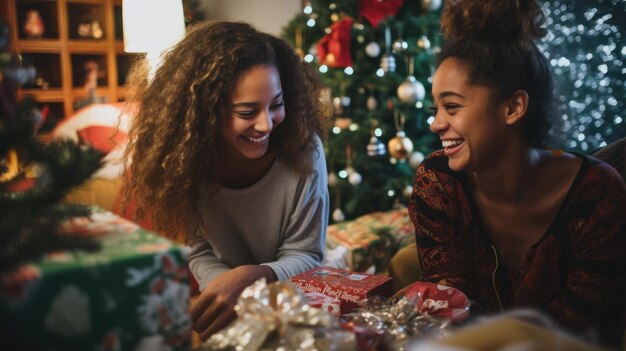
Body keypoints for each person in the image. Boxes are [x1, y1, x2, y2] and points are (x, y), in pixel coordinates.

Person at [408, 0, 626, 347]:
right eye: (436, 108)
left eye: (452, 106)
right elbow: (450, 304)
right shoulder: (438, 180)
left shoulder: (597, 195)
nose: (436, 124)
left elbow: (581, 331)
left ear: (513, 107)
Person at [121, 21, 330, 340]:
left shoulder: (305, 153)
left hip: (294, 304)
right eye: (247, 112)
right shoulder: (186, 161)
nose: (265, 125)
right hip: (228, 306)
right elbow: (199, 249)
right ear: (206, 112)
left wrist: (252, 277)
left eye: (276, 105)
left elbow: (308, 255)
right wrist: (226, 289)